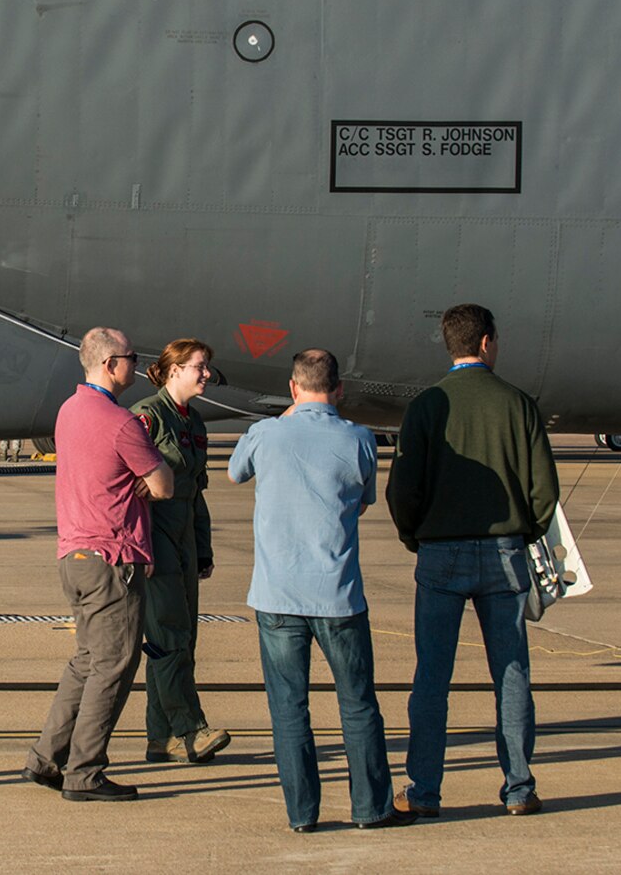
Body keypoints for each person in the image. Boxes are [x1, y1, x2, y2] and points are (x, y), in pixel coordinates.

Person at [228, 348, 414, 833]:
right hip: (336, 593)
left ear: (292, 387)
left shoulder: (266, 434)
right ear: (339, 389)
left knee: (289, 707)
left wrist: (288, 415)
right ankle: (371, 806)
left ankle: (302, 814)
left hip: (277, 595)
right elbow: (364, 501)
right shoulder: (358, 438)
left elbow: (234, 471)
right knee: (357, 703)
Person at [387, 303, 558, 818]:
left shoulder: (426, 405)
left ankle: (424, 791)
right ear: (487, 342)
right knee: (511, 675)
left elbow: (403, 489)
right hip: (505, 553)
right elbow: (543, 492)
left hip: (439, 552)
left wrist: (415, 535)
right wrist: (525, 531)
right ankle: (519, 787)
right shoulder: (518, 404)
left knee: (432, 678)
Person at [25, 326, 174, 802]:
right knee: (113, 666)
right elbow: (164, 484)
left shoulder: (70, 411)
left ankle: (48, 757)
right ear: (111, 364)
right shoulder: (120, 422)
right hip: (113, 559)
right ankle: (85, 772)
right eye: (131, 356)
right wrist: (151, 477)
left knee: (86, 661)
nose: (137, 363)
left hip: (75, 555)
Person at [132, 338, 228, 765]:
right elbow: (129, 491)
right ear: (173, 370)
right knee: (170, 637)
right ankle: (191, 728)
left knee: (180, 639)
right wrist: (140, 546)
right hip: (155, 539)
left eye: (206, 367)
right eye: (199, 366)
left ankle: (161, 737)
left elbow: (197, 492)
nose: (206, 374)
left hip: (185, 539)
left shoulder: (195, 422)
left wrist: (203, 548)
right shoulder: (148, 417)